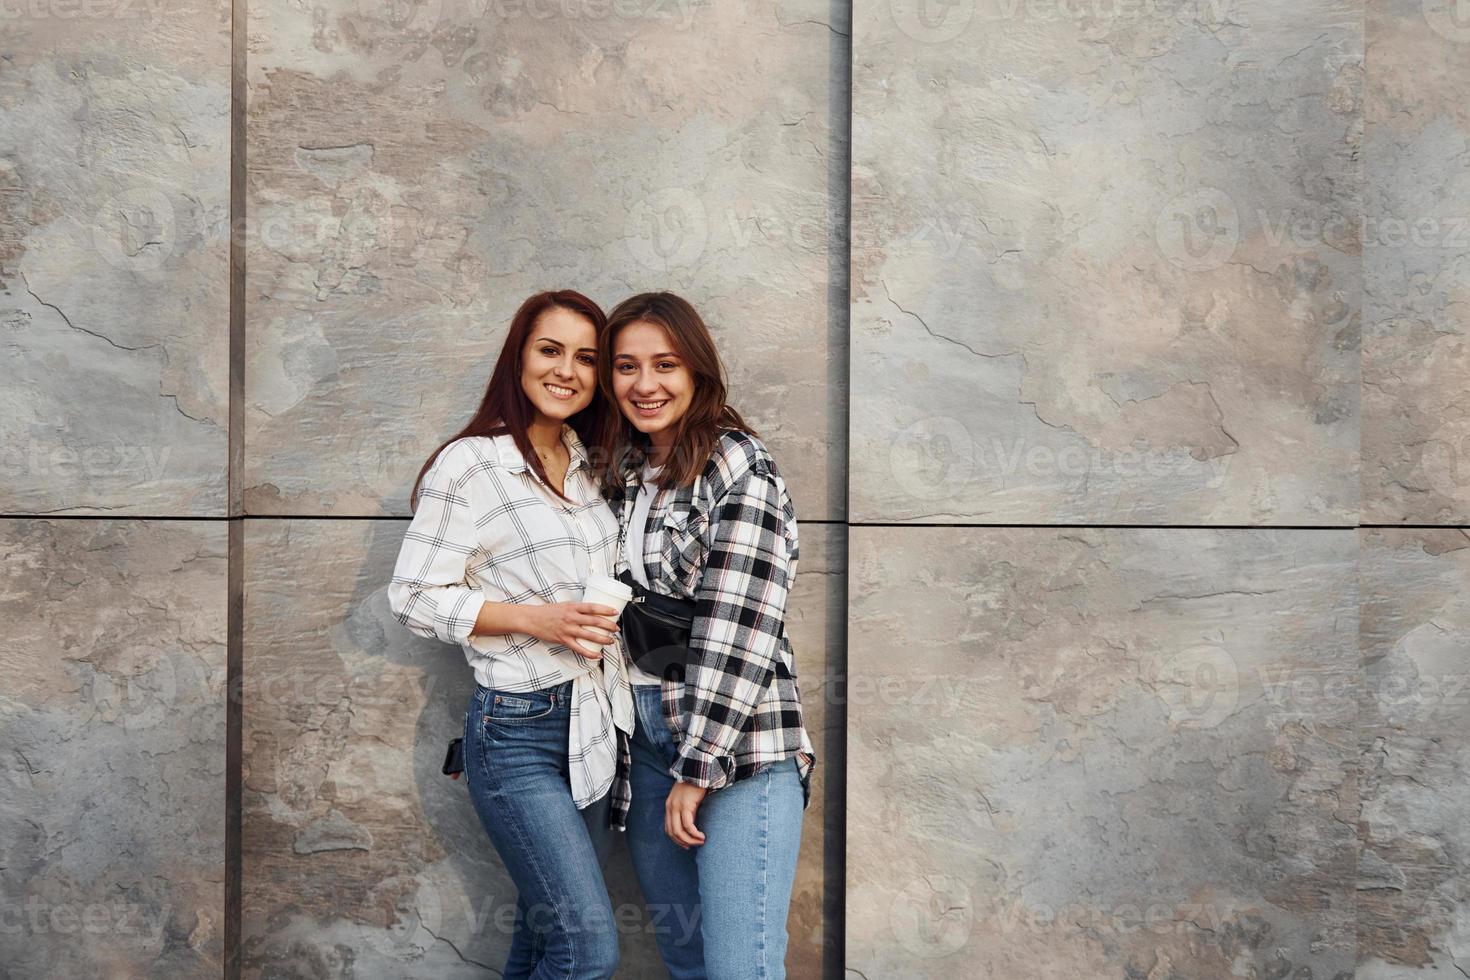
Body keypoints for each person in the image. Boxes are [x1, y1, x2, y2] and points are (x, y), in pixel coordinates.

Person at [387, 290, 632, 980]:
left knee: (543, 941)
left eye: (587, 357)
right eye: (550, 350)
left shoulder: (592, 467)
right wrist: (536, 618)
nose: (568, 371)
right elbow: (411, 596)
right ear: (518, 358)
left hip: (594, 728)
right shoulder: (472, 465)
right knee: (587, 952)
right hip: (517, 732)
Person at [596, 292, 816, 980]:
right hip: (646, 745)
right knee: (686, 960)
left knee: (738, 968)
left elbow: (740, 625)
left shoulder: (740, 466)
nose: (645, 384)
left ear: (697, 371)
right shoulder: (624, 472)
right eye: (626, 366)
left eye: (665, 364)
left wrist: (700, 765)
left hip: (739, 750)